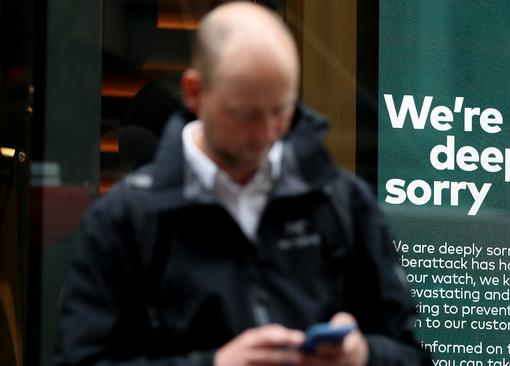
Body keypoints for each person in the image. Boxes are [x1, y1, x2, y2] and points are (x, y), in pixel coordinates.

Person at [55, 3, 430, 366]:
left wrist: (361, 356)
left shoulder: (340, 201)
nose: (265, 133)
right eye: (244, 114)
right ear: (194, 93)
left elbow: (412, 352)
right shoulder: (124, 219)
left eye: (280, 110)